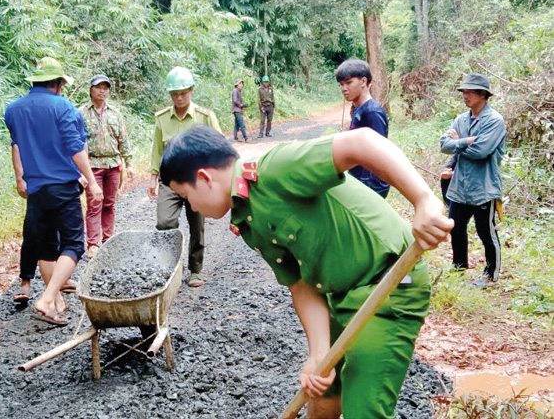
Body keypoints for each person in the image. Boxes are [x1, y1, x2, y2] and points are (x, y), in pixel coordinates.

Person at [159, 126, 453, 418]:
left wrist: (423, 200)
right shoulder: (246, 219)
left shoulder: (276, 170)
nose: (192, 206)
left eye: (185, 196)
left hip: (389, 284)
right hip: (339, 293)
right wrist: (319, 353)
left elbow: (361, 142)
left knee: (364, 411)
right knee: (323, 388)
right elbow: (300, 284)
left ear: (204, 178)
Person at [4, 57, 102, 324]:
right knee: (73, 245)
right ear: (58, 83)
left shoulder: (13, 110)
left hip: (36, 190)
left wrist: (20, 177)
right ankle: (47, 299)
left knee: (47, 249)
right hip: (62, 187)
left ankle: (56, 301)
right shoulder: (64, 107)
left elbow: (17, 145)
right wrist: (91, 181)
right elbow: (74, 147)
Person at [148, 66, 221, 288]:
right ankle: (169, 266)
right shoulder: (162, 119)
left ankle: (195, 269)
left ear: (191, 90)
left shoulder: (205, 117)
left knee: (196, 225)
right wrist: (153, 177)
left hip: (196, 182)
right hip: (170, 181)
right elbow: (156, 150)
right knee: (164, 222)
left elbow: (219, 147)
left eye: (183, 93)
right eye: (174, 94)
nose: (179, 98)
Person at [440, 73, 506, 284]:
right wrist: (467, 140)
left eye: (469, 91)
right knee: (456, 228)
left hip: (483, 187)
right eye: (463, 91)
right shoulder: (461, 119)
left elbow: (481, 151)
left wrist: (458, 143)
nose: (465, 95)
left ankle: (491, 274)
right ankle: (458, 267)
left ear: (482, 94)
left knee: (486, 232)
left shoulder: (494, 121)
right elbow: (443, 144)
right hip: (460, 186)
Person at [80, 74, 133, 259]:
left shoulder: (114, 114)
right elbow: (78, 143)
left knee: (110, 204)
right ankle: (93, 244)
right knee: (95, 204)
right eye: (98, 87)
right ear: (91, 90)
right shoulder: (82, 113)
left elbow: (123, 139)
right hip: (92, 166)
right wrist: (80, 170)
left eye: (106, 87)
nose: (102, 91)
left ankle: (108, 240)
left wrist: (129, 163)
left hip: (113, 164)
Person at [336, 58, 390, 198]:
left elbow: (378, 154)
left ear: (364, 82)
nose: (344, 88)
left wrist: (370, 191)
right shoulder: (358, 108)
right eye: (341, 84)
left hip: (370, 188)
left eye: (348, 83)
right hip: (358, 182)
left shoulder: (372, 112)